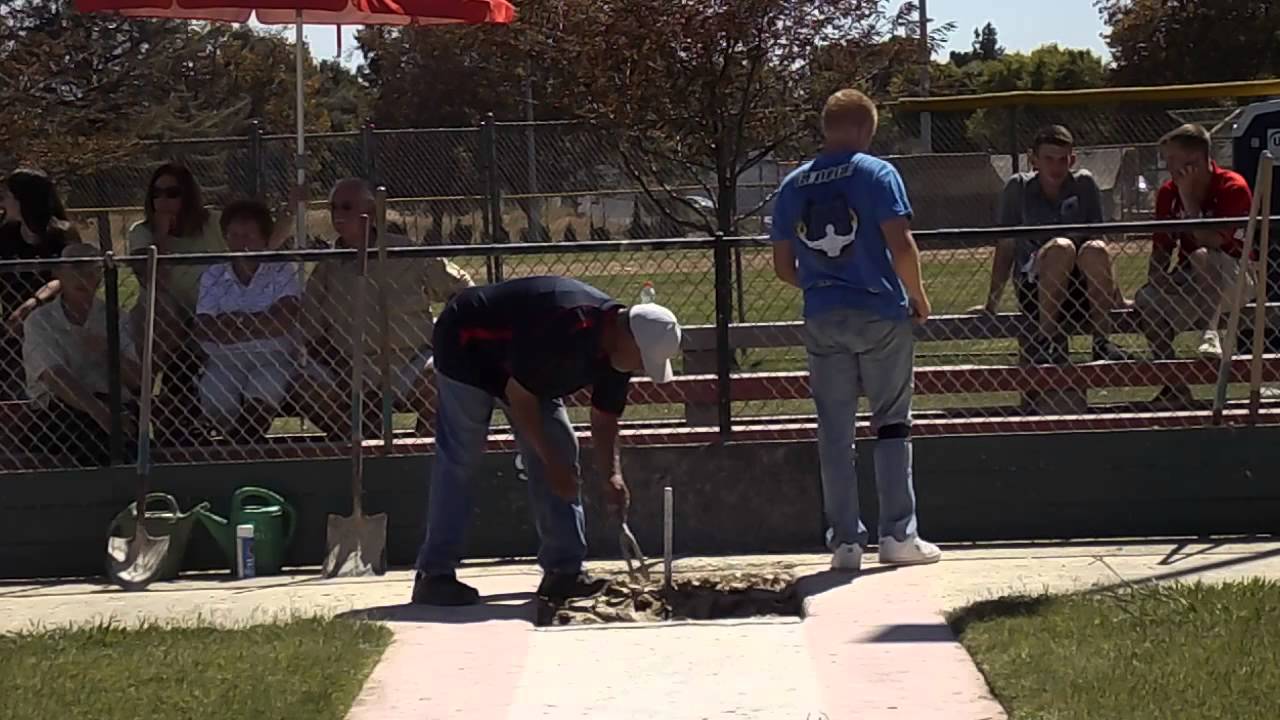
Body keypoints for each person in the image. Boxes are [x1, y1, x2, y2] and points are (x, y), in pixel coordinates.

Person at [412, 275, 682, 606]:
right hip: (467, 343)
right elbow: (519, 396)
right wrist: (549, 461)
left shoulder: (618, 349)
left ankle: (563, 572)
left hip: (525, 367)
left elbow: (605, 416)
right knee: (461, 457)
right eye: (643, 360)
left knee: (561, 451)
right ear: (628, 337)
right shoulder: (566, 326)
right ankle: (434, 574)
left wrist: (612, 474)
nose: (641, 368)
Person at [769, 88, 941, 572]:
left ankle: (845, 542)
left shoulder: (793, 184)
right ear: (867, 128)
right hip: (880, 312)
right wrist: (918, 295)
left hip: (823, 315)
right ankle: (897, 534)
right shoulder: (877, 172)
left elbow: (783, 265)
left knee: (834, 431)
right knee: (891, 421)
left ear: (825, 128)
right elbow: (901, 244)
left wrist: (825, 283)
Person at [296, 178, 473, 439]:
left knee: (439, 379)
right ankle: (358, 441)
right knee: (305, 386)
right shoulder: (327, 268)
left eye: (347, 207)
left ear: (370, 211)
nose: (338, 214)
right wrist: (340, 367)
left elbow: (463, 290)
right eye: (333, 207)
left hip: (410, 362)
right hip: (348, 366)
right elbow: (311, 329)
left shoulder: (405, 251)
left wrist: (445, 336)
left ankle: (420, 454)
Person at [970, 125, 1131, 365]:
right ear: (1033, 158)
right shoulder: (1018, 188)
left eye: (1062, 160)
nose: (1056, 167)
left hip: (1080, 289)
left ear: (1072, 159)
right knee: (1061, 247)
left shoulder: (1084, 184)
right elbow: (1006, 248)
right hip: (1035, 289)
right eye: (1048, 159)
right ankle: (1047, 341)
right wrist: (991, 303)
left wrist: (1118, 298)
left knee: (1094, 248)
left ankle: (1101, 341)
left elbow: (1101, 244)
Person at [1135, 124, 1254, 405]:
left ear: (1194, 162)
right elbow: (1162, 247)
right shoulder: (1167, 192)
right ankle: (1175, 386)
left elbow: (1210, 240)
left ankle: (1210, 333)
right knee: (1147, 300)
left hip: (1236, 276)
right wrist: (1157, 277)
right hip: (1193, 280)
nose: (1167, 166)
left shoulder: (1232, 186)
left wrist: (1188, 199)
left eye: (1171, 160)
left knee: (1201, 254)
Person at [127, 163, 228, 445]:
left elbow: (255, 248)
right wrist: (161, 236)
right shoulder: (142, 232)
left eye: (173, 193)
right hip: (162, 320)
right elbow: (150, 279)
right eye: (157, 193)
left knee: (197, 339)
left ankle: (193, 423)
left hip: (209, 316)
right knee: (167, 323)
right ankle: (139, 404)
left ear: (189, 195)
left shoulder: (213, 224)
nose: (164, 200)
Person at [193, 199, 303, 442]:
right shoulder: (214, 273)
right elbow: (204, 326)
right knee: (216, 397)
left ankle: (244, 446)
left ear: (264, 239)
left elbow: (283, 320)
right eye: (234, 235)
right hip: (224, 359)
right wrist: (260, 321)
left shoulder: (280, 269)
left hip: (272, 357)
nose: (241, 243)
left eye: (249, 236)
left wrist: (234, 322)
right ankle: (233, 443)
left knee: (263, 391)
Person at [23, 243, 141, 466]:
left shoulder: (116, 318)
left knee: (128, 438)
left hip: (114, 402)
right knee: (90, 439)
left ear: (100, 276)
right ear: (59, 274)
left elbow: (136, 380)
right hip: (61, 409)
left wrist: (108, 351)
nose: (82, 278)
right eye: (74, 270)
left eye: (90, 271)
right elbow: (55, 377)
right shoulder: (41, 321)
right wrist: (102, 415)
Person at [1, 168, 80, 399]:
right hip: (12, 332)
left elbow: (64, 278)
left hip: (55, 327)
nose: (3, 202)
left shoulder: (60, 234)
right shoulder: (6, 234)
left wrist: (31, 305)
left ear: (24, 200)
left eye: (7, 196)